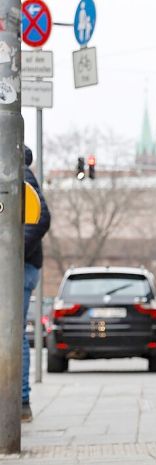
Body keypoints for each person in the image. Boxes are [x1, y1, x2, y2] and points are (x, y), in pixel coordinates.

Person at [22, 146, 50, 422]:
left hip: (20, 266)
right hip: (19, 264)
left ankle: (20, 401)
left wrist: (14, 250)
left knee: (13, 332)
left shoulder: (20, 173)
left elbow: (40, 217)